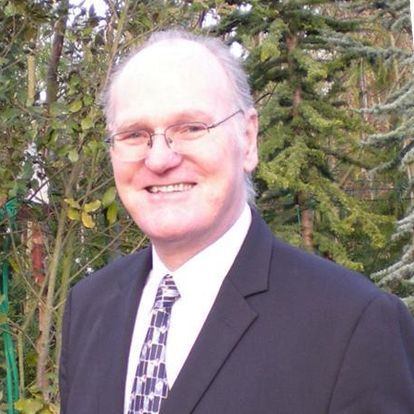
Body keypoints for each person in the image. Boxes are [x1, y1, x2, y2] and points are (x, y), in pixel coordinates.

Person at [59, 29, 414, 414]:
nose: (159, 159)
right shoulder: (89, 307)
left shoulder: (352, 324)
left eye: (191, 128)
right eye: (133, 134)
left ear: (248, 138)